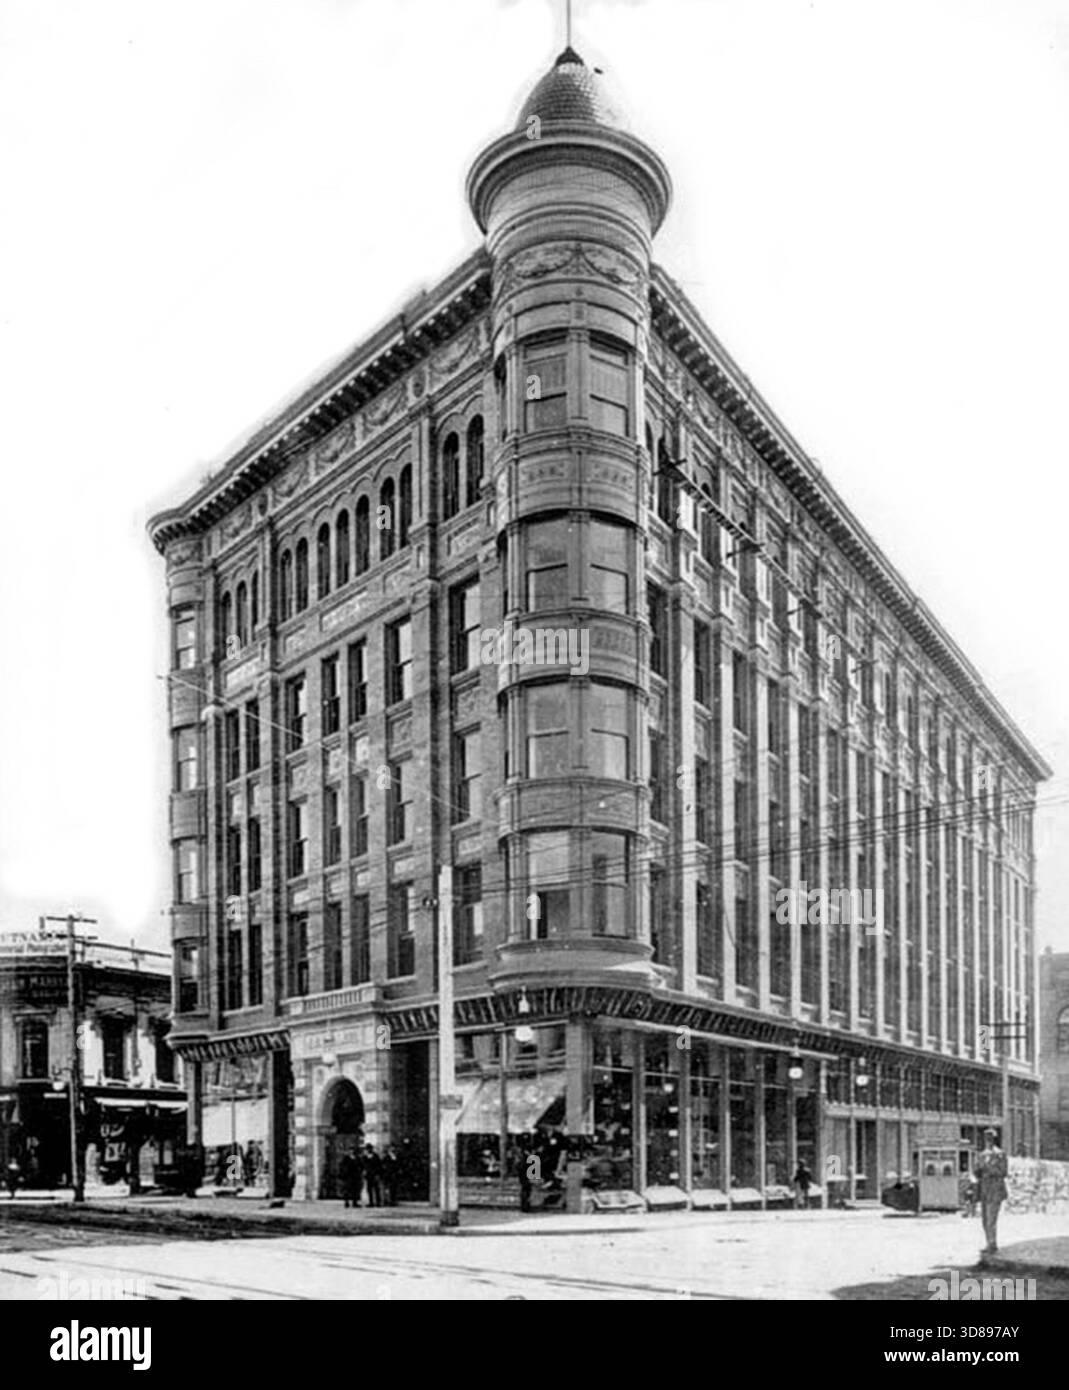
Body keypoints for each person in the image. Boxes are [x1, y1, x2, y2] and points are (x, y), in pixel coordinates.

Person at [974, 1128, 1009, 1254]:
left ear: (995, 1139)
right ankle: (988, 1242)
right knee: (984, 1220)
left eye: (990, 1138)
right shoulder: (982, 1155)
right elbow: (977, 1171)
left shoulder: (1000, 1154)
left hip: (996, 1189)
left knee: (991, 1219)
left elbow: (1003, 1172)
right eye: (986, 1138)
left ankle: (992, 1244)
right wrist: (977, 1172)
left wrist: (988, 1170)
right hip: (984, 1189)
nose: (988, 1140)